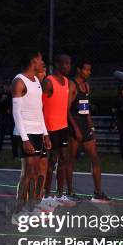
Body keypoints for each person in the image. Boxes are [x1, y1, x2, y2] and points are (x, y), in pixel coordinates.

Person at [10, 49, 51, 223]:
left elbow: (38, 111)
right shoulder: (19, 81)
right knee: (27, 173)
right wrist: (25, 138)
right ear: (33, 61)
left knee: (34, 172)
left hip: (37, 132)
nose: (42, 63)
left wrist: (45, 133)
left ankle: (31, 208)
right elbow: (16, 113)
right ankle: (17, 212)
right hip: (24, 133)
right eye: (40, 60)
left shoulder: (37, 81)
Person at [67, 60, 111, 203]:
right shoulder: (72, 84)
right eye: (86, 70)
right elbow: (65, 110)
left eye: (90, 70)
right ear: (79, 70)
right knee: (70, 161)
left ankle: (98, 193)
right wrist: (75, 128)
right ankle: (69, 192)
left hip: (85, 126)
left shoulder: (86, 86)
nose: (89, 72)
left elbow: (85, 110)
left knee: (95, 159)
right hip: (73, 125)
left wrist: (91, 127)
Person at [41, 54, 76, 207]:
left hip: (63, 127)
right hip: (50, 128)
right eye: (64, 63)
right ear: (57, 64)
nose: (67, 66)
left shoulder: (67, 82)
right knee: (52, 160)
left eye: (69, 64)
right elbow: (39, 106)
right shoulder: (49, 81)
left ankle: (60, 194)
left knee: (63, 159)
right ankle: (47, 194)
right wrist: (44, 131)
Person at [0, 86, 18, 162]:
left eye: (10, 86)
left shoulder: (13, 95)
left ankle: (15, 155)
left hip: (11, 120)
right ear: (4, 87)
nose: (8, 88)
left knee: (13, 139)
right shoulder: (0, 95)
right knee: (0, 139)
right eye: (7, 86)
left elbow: (14, 106)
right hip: (2, 120)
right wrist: (2, 99)